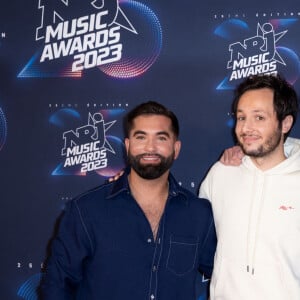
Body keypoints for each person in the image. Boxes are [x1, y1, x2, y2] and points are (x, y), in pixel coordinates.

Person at [41, 101, 217, 300]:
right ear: (127, 146)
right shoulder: (86, 211)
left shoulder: (198, 214)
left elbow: (228, 277)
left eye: (161, 138)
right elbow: (57, 286)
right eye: (141, 137)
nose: (150, 147)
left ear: (176, 148)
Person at [199, 74, 300, 300]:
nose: (246, 127)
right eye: (241, 117)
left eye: (259, 118)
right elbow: (189, 225)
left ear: (285, 123)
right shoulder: (222, 173)